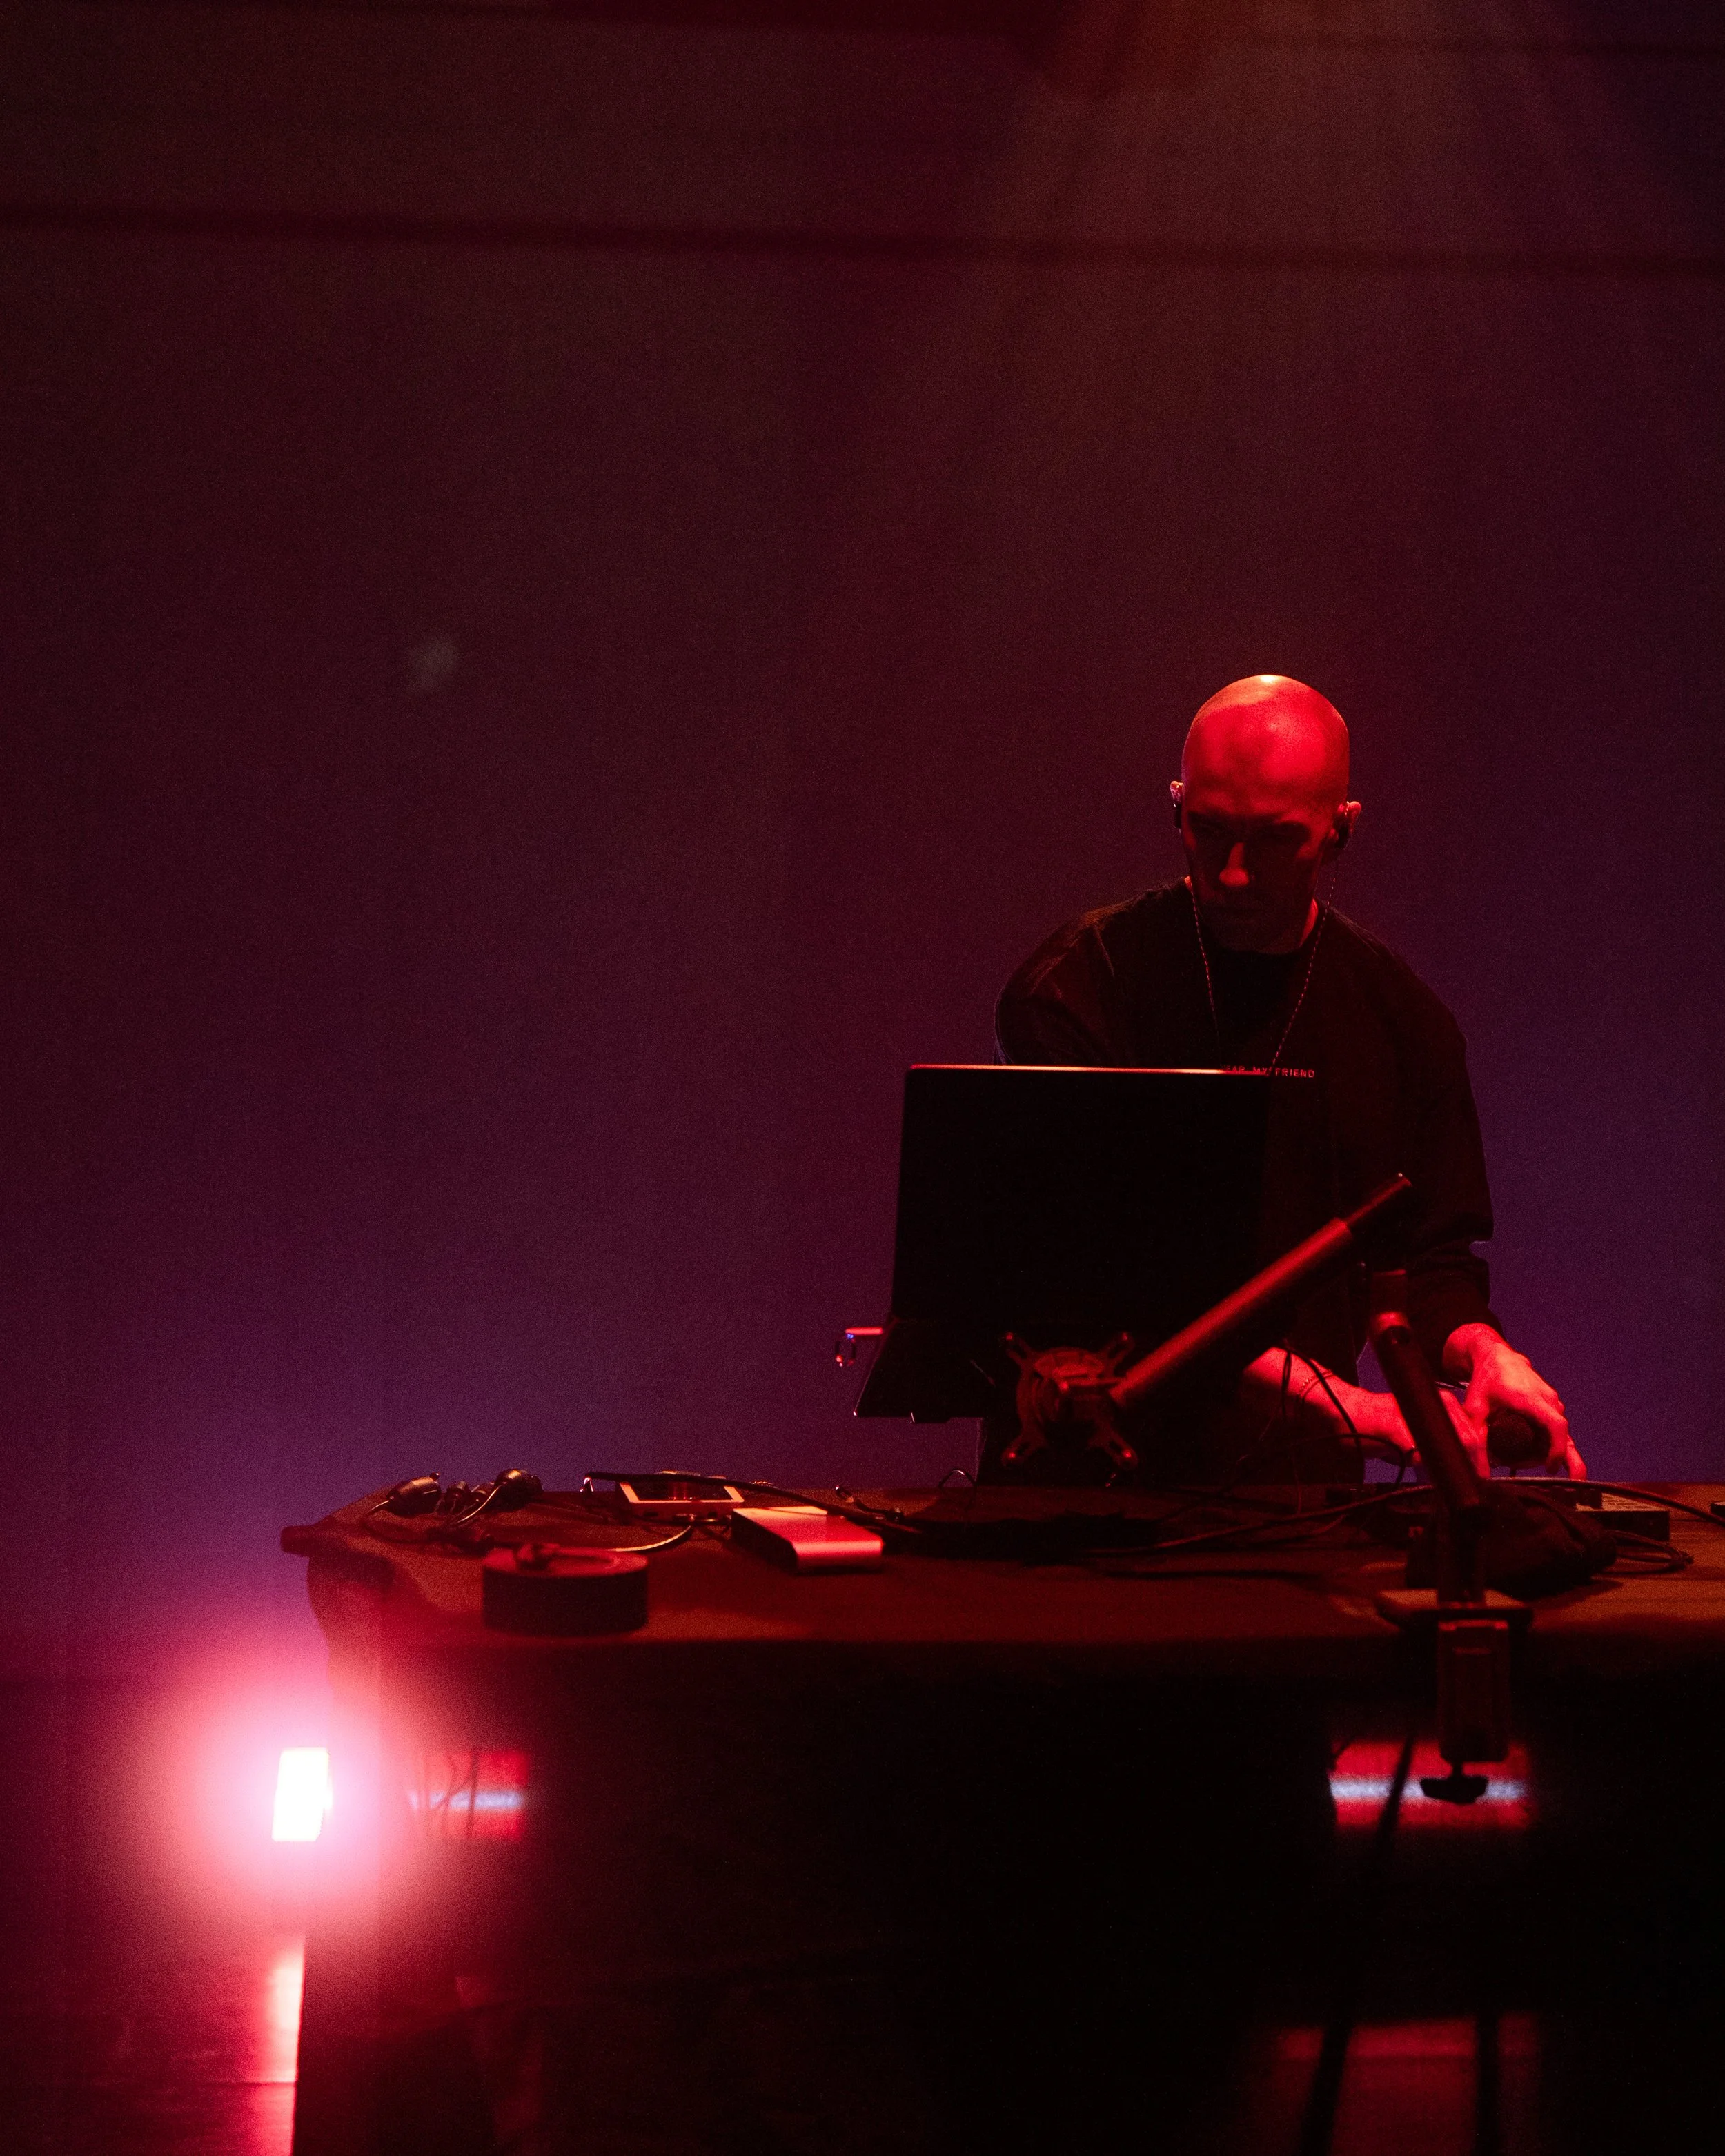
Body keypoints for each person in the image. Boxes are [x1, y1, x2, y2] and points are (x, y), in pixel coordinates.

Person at [995, 673, 1584, 1481]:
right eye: (1206, 829)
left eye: (1274, 840)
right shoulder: (1076, 989)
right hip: (1082, 1496)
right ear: (1175, 804)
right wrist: (1367, 1411)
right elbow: (1126, 1283)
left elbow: (1428, 1265)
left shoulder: (1403, 1021)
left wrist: (1486, 1355)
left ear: (1342, 829)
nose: (1233, 873)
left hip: (1295, 1500)